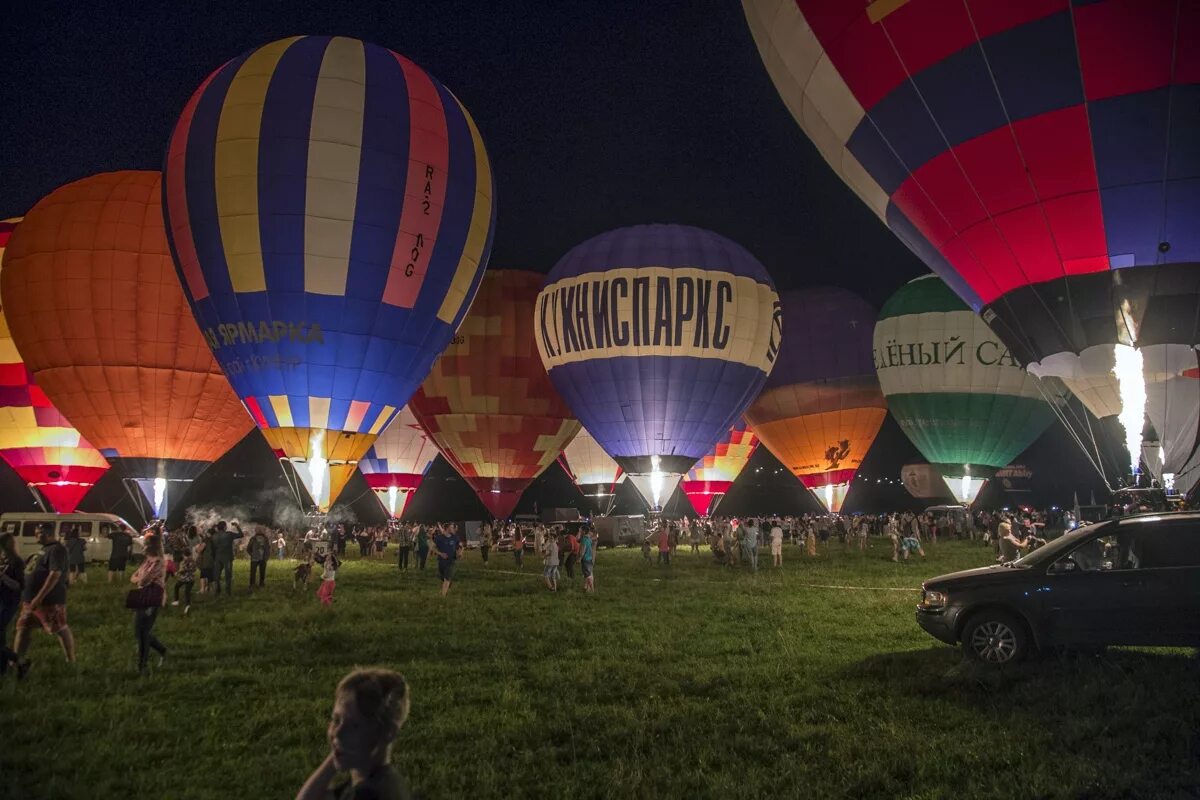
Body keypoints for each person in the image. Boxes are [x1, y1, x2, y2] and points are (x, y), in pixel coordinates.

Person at [296, 668, 412, 800]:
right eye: (336, 720)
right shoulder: (368, 779)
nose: (338, 732)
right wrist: (338, 750)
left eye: (354, 726)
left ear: (387, 733)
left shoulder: (370, 794)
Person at [12, 523, 74, 675]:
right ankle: (16, 661)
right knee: (23, 628)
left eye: (39, 532)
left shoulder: (56, 549)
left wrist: (39, 598)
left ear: (47, 533)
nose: (36, 535)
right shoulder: (43, 550)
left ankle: (70, 660)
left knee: (59, 628)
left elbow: (55, 575)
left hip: (48, 601)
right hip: (30, 600)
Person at [130, 535, 168, 672]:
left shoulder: (159, 562)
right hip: (142, 596)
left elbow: (142, 580)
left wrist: (140, 578)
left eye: (145, 544)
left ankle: (142, 665)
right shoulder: (147, 561)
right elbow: (133, 577)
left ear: (151, 546)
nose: (143, 546)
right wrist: (139, 578)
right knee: (138, 632)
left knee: (143, 632)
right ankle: (162, 650)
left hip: (152, 598)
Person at [0, 533, 24, 675]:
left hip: (9, 602)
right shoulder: (4, 560)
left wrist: (3, 577)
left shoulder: (17, 562)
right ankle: (3, 668)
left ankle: (20, 661)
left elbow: (19, 586)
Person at [432, 523, 462, 597]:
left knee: (447, 578)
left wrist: (460, 553)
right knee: (442, 576)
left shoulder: (455, 537)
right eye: (452, 527)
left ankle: (443, 596)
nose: (453, 528)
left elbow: (460, 546)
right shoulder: (439, 538)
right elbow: (432, 547)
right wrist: (440, 553)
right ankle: (448, 582)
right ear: (447, 528)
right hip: (441, 561)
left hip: (451, 560)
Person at [172, 546, 196, 615]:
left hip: (186, 579)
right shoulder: (193, 560)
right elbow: (194, 569)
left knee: (178, 587)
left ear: (184, 554)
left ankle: (178, 601)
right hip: (191, 579)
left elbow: (183, 570)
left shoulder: (186, 561)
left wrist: (177, 572)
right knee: (186, 591)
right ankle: (187, 605)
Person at [580, 527, 596, 593]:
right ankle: (587, 588)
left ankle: (592, 590)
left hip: (585, 559)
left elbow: (583, 550)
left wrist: (579, 558)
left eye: (581, 530)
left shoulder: (584, 539)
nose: (580, 531)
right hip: (590, 558)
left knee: (588, 575)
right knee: (589, 574)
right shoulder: (589, 539)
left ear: (584, 531)